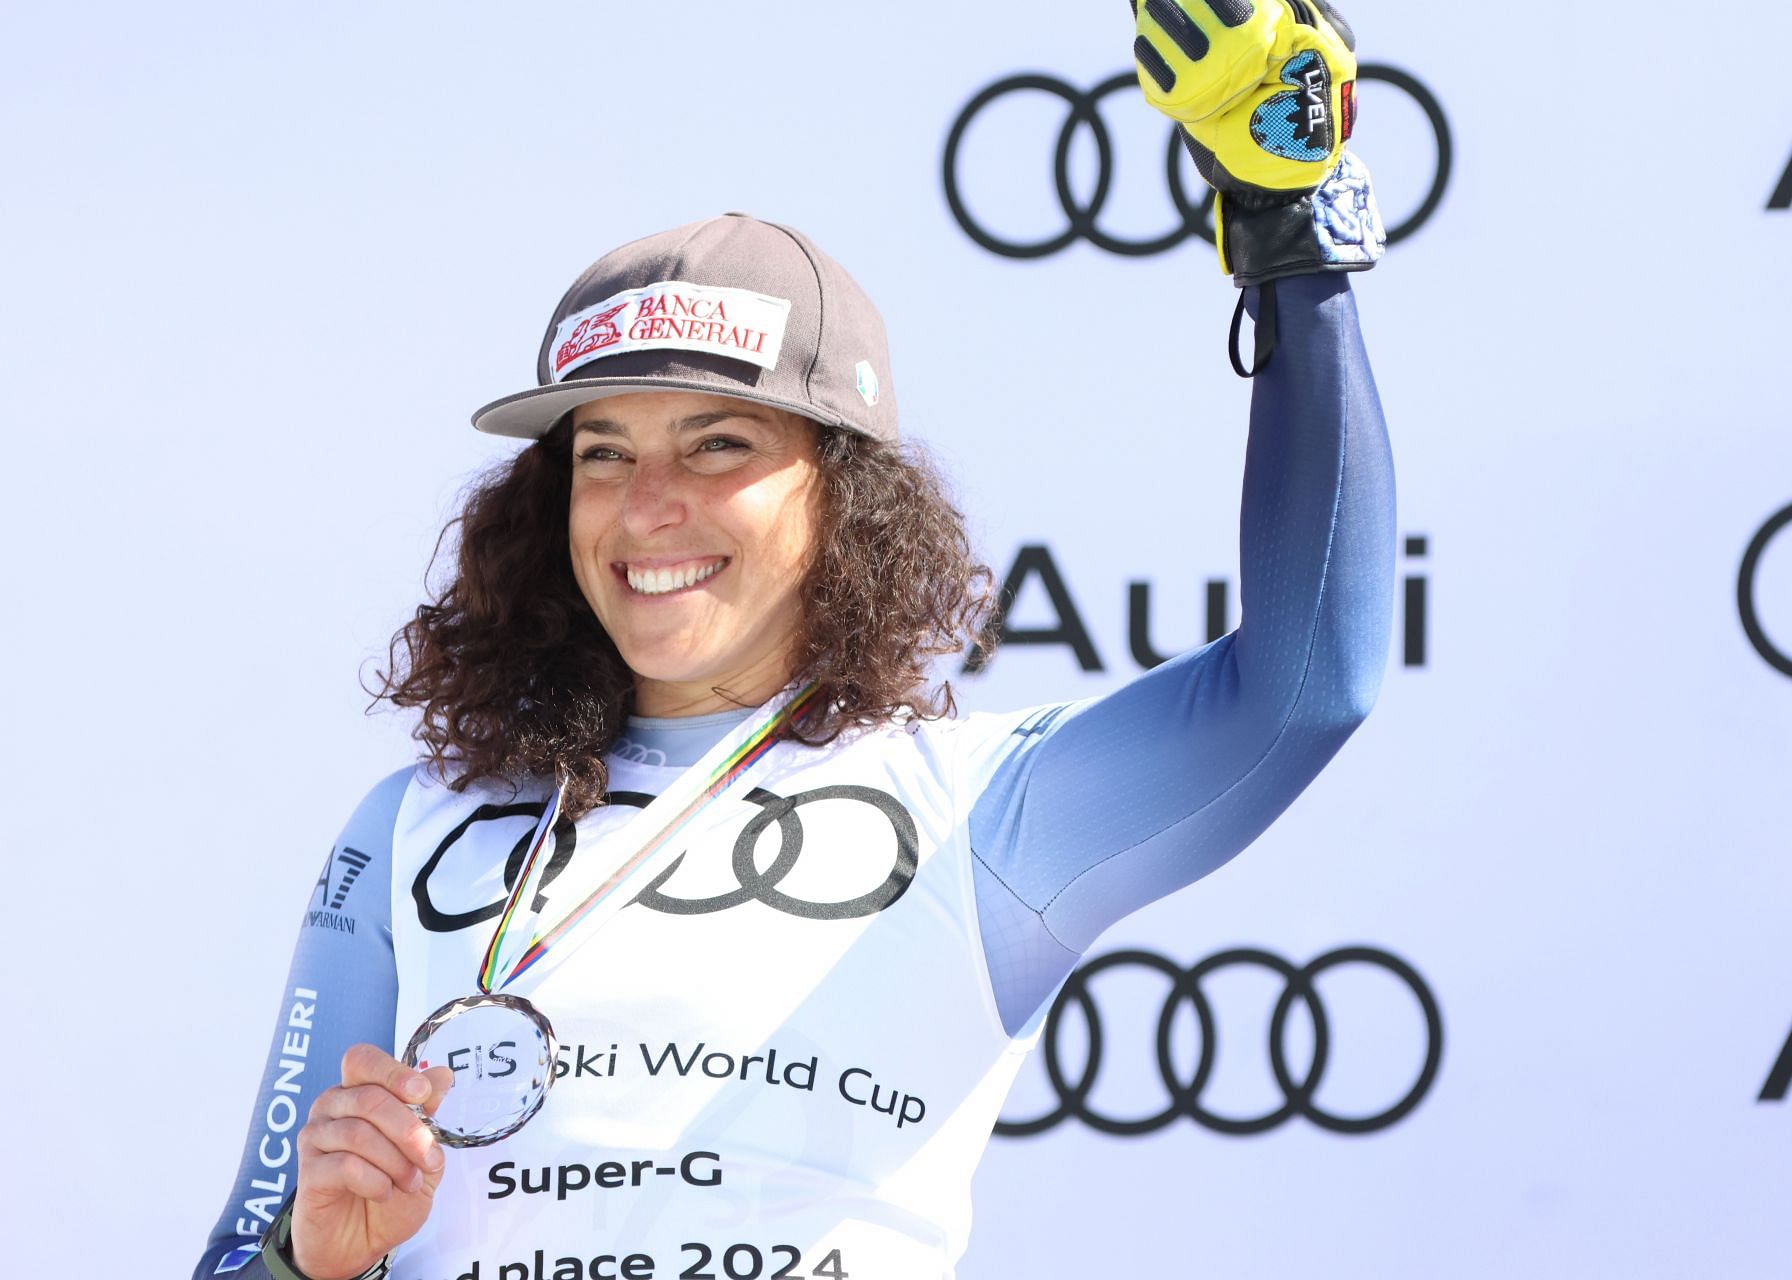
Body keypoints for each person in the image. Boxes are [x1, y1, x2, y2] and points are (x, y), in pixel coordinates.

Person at [195, 4, 1392, 1277]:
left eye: (719, 444)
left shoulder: (981, 812)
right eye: (605, 453)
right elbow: (240, 1257)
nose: (649, 506)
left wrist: (1289, 232)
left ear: (846, 499)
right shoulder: (409, 828)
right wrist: (309, 1263)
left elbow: (1307, 685)